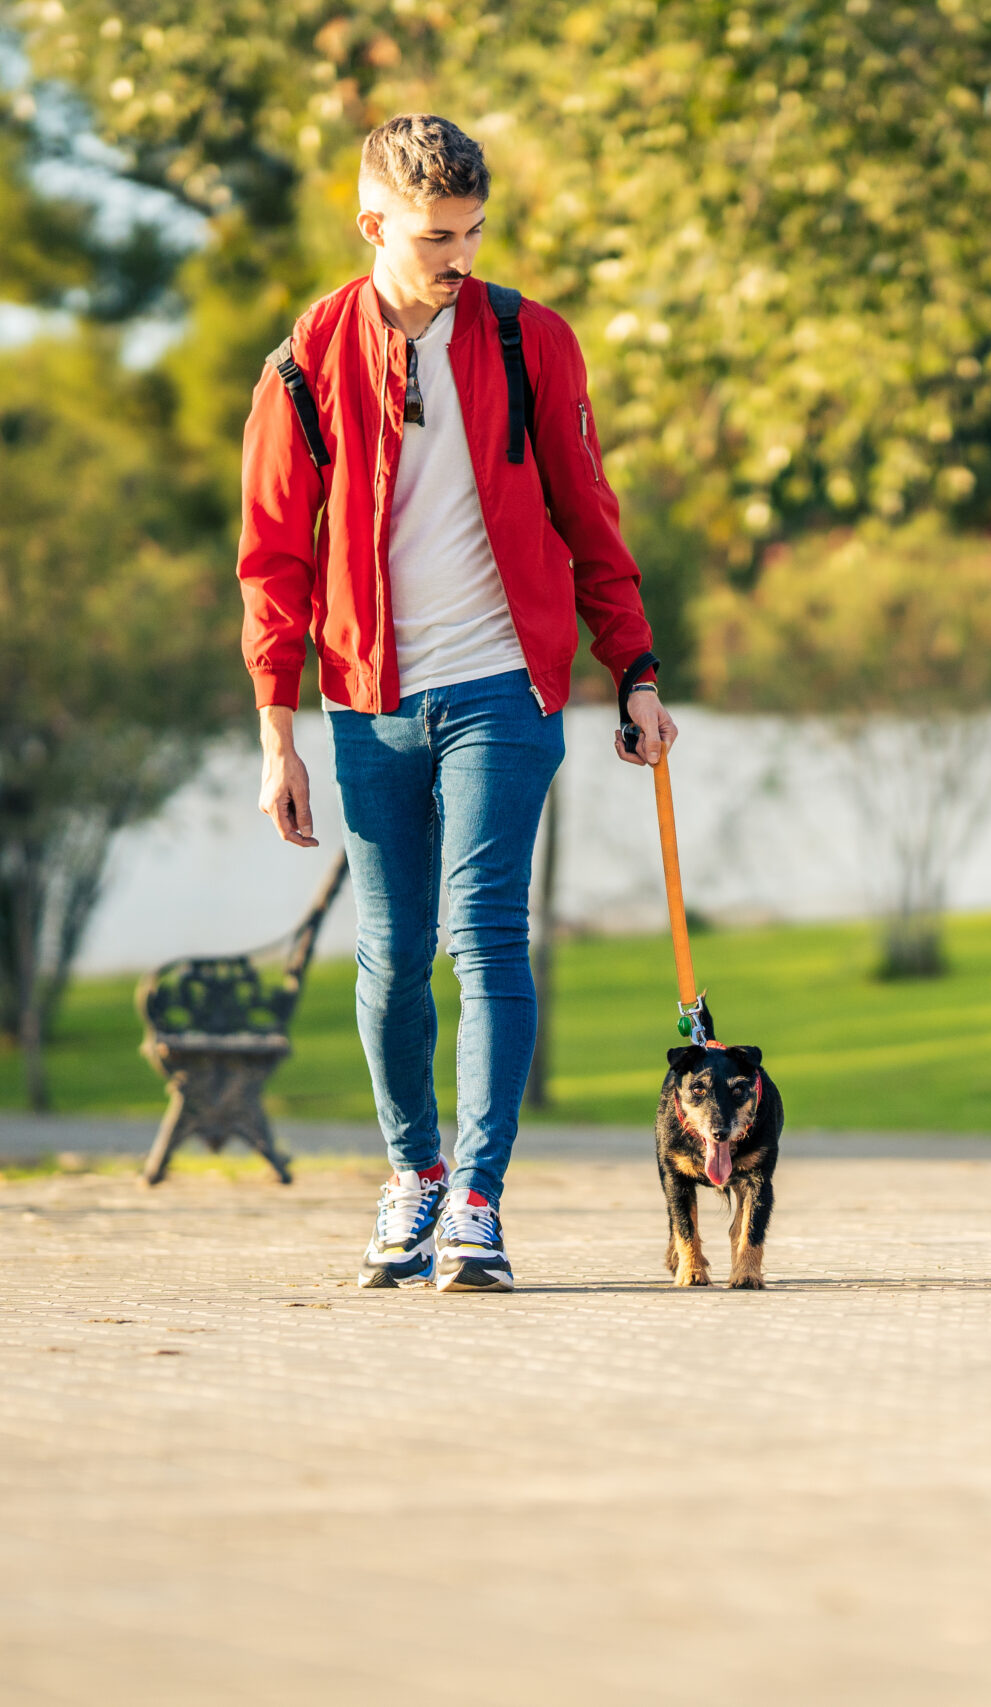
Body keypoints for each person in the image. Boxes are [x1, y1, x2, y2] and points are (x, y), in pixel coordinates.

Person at [239, 114, 678, 1293]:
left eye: (474, 231)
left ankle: (478, 1200)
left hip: (505, 683)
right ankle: (413, 1176)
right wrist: (278, 735)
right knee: (390, 953)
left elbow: (590, 513)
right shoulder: (303, 361)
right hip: (368, 699)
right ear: (372, 223)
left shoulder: (531, 342)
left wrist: (631, 667)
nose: (459, 255)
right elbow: (272, 559)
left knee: (486, 936)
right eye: (437, 235)